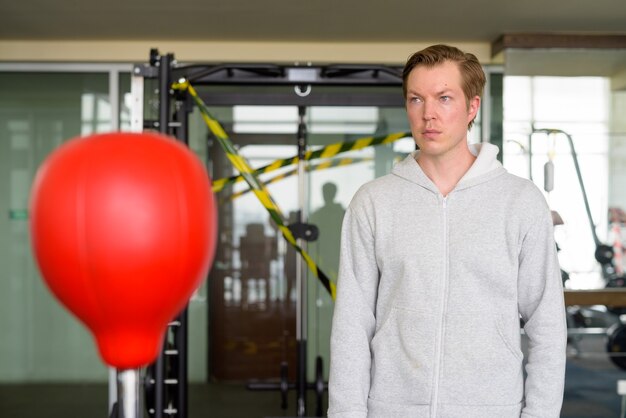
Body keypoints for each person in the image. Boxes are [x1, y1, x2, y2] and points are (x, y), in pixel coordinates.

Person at [328, 44, 566, 418]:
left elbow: (547, 325)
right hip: (392, 409)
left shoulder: (520, 201)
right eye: (416, 99)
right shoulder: (373, 202)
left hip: (493, 409)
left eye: (444, 98)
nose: (428, 115)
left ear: (472, 107)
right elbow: (351, 326)